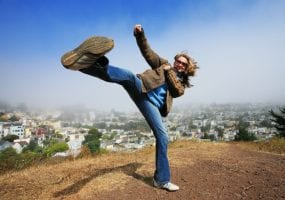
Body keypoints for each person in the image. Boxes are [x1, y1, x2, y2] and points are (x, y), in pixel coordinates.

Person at [61, 24, 198, 192]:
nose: (178, 64)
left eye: (182, 63)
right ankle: (84, 65)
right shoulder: (163, 64)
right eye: (177, 61)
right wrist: (140, 35)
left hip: (151, 104)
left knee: (163, 137)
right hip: (141, 87)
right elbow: (148, 52)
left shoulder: (181, 82)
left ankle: (161, 180)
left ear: (187, 67)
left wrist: (169, 71)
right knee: (128, 75)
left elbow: (176, 90)